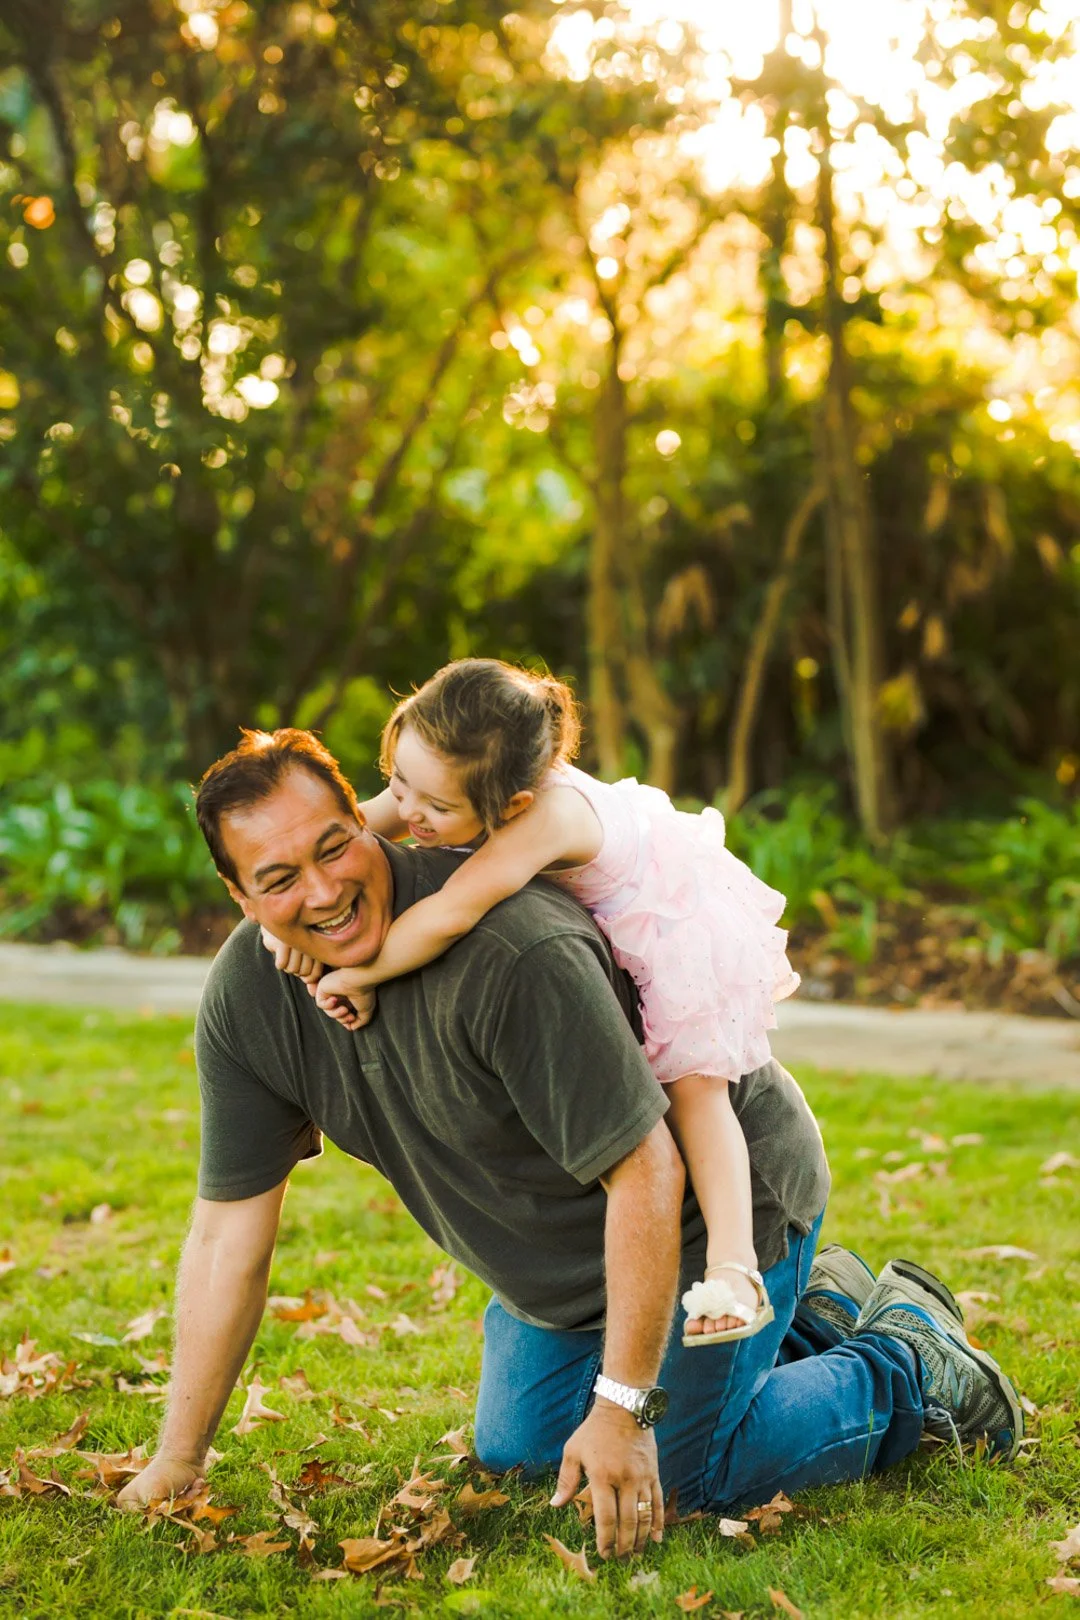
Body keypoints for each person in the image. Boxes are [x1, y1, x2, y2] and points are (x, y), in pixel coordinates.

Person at [117, 727, 1023, 1557]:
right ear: (239, 895)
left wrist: (626, 1409)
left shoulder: (512, 952)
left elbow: (648, 1170)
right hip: (561, 1273)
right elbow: (226, 1233)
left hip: (715, 1216)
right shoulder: (250, 993)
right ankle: (816, 1314)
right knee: (521, 1453)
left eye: (332, 846)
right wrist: (178, 1458)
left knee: (682, 1475)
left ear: (366, 820)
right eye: (277, 880)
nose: (321, 891)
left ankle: (906, 1361)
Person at [263, 659, 800, 1346]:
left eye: (433, 807)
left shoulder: (544, 817)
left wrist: (356, 974)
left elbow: (455, 910)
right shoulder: (440, 777)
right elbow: (346, 841)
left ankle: (734, 1265)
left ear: (508, 807)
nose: (408, 809)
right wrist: (290, 907)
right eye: (399, 780)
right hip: (593, 924)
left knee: (696, 1090)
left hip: (665, 918)